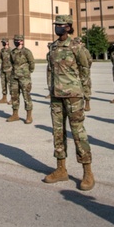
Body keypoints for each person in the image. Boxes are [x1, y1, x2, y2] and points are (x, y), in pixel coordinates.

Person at [43, 15, 94, 190]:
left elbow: (85, 68)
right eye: (56, 25)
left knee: (78, 133)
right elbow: (50, 70)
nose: (57, 27)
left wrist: (86, 94)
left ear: (68, 27)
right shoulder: (54, 47)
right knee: (58, 133)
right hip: (56, 96)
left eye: (60, 25)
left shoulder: (76, 46)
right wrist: (50, 90)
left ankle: (87, 171)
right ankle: (61, 169)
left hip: (73, 95)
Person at [7, 35, 35, 123]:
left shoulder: (27, 52)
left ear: (22, 41)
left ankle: (29, 116)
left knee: (26, 96)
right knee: (14, 96)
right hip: (14, 77)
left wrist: (27, 72)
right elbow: (11, 62)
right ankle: (15, 114)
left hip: (24, 78)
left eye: (17, 40)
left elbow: (32, 63)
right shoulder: (12, 52)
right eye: (15, 40)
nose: (16, 42)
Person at [0, 40, 11, 105]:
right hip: (3, 69)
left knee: (10, 84)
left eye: (4, 42)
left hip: (9, 70)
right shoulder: (2, 50)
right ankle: (4, 98)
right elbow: (2, 59)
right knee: (3, 84)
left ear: (7, 42)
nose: (3, 43)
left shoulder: (11, 51)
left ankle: (13, 99)